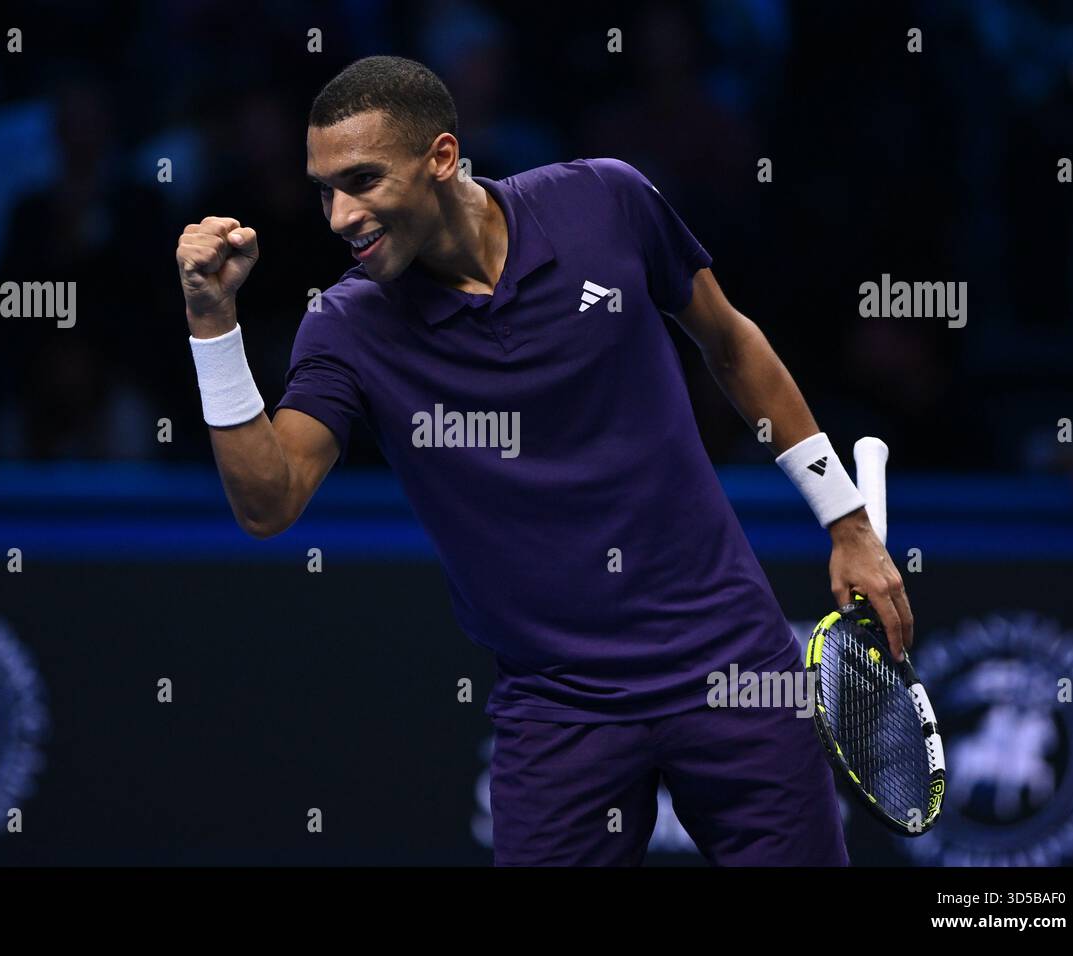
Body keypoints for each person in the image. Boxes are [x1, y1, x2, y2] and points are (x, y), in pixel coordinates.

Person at [174, 55, 913, 866]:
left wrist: (845, 520)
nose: (340, 215)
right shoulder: (348, 329)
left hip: (733, 670)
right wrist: (212, 323)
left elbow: (730, 341)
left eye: (362, 180)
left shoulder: (605, 200)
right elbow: (267, 504)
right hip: (557, 711)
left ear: (443, 157)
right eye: (324, 190)